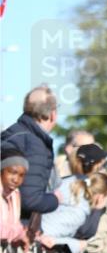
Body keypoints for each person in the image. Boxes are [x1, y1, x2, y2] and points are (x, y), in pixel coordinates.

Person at [1, 84, 60, 221]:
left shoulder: (13, 134)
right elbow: (30, 199)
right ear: (52, 114)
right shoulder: (34, 144)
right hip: (13, 230)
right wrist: (55, 199)